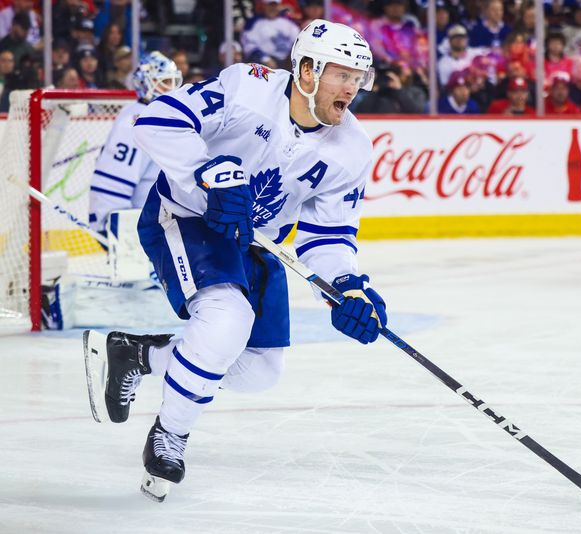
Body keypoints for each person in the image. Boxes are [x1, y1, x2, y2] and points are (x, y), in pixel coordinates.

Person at [84, 19, 388, 502]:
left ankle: (138, 354)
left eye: (359, 78)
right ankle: (170, 436)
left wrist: (346, 286)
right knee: (227, 320)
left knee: (261, 370)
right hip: (186, 215)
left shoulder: (351, 147)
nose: (352, 88)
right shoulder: (248, 88)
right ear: (307, 70)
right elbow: (157, 119)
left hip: (255, 240)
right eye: (342, 74)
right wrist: (208, 171)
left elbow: (327, 235)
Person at [88, 52, 183, 233]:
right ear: (145, 83)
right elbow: (113, 181)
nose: (171, 89)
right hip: (136, 228)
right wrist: (115, 225)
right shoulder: (135, 120)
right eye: (164, 82)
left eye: (173, 81)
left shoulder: (160, 115)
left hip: (158, 224)